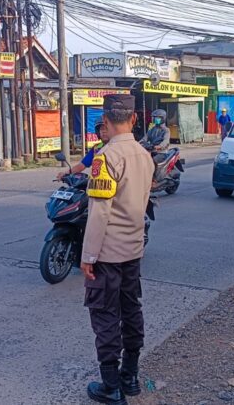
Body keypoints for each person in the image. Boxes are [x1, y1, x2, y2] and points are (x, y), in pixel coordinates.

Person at [82, 94, 154, 405]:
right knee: (131, 309)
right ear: (135, 119)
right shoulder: (144, 155)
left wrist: (88, 256)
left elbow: (100, 211)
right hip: (134, 250)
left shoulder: (106, 157)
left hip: (108, 253)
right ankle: (131, 376)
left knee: (105, 315)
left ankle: (110, 385)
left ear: (106, 119)